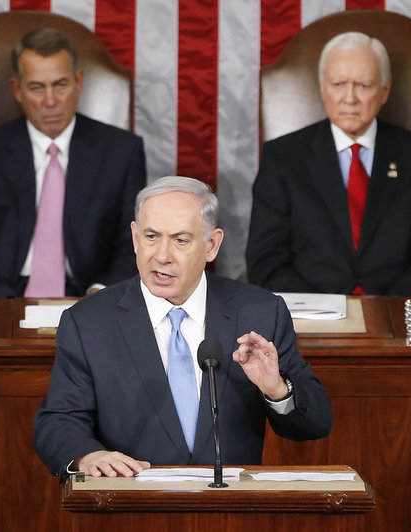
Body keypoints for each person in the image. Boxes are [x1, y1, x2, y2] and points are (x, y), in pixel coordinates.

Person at [34, 176, 332, 478]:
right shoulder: (89, 321)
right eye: (151, 237)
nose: (161, 256)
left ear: (211, 245)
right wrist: (87, 455)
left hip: (230, 513)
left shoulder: (260, 312)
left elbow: (316, 423)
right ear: (135, 238)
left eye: (180, 240)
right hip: (130, 507)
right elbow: (59, 419)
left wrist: (276, 389)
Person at [246, 31, 411, 297]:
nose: (350, 98)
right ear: (322, 88)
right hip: (310, 319)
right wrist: (319, 309)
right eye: (338, 84)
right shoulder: (283, 157)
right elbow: (265, 260)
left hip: (397, 316)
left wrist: (386, 307)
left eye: (364, 85)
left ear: (385, 90)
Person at [0, 28, 147, 298]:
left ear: (78, 82)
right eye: (37, 87)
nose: (50, 101)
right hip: (2, 296)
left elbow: (134, 245)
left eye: (60, 85)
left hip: (89, 295)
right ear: (17, 89)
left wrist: (101, 293)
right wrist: (7, 308)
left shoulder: (122, 152)